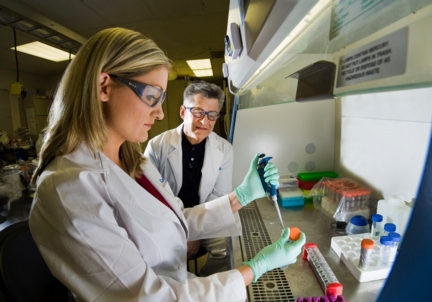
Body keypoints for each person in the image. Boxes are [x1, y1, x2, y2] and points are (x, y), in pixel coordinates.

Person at [29, 27, 306, 302]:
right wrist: (254, 269)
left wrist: (241, 195)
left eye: (160, 99)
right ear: (104, 86)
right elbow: (151, 298)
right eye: (151, 96)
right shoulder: (68, 188)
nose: (160, 113)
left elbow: (175, 220)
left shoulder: (132, 159)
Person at [144, 81, 233, 276]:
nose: (204, 121)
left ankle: (202, 285)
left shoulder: (225, 149)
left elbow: (219, 196)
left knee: (225, 248)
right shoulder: (157, 146)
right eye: (198, 112)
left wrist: (196, 233)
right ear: (183, 111)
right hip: (166, 219)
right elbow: (151, 197)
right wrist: (182, 232)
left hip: (205, 218)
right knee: (158, 257)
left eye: (212, 115)